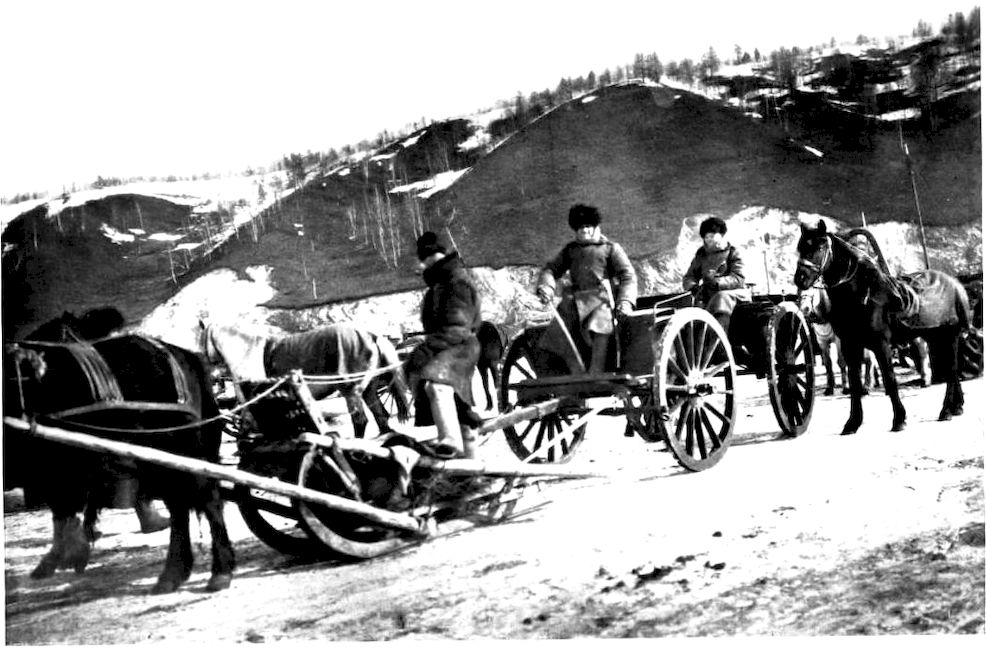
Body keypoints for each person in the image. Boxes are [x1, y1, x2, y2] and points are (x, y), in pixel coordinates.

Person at [405, 232, 483, 459]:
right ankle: (472, 466)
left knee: (436, 385)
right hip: (450, 346)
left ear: (430, 258)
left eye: (424, 260)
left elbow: (457, 327)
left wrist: (426, 349)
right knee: (460, 409)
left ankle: (450, 442)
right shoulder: (440, 283)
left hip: (461, 347)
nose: (422, 266)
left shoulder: (456, 282)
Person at [536, 204, 637, 374]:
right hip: (574, 303)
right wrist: (547, 286)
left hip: (602, 301)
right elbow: (550, 270)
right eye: (580, 227)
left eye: (588, 226)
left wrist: (625, 302)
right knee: (559, 333)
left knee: (600, 326)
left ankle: (596, 372)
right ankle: (576, 372)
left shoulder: (610, 249)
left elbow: (628, 276)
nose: (584, 231)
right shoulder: (570, 250)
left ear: (596, 227)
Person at [681, 216, 751, 334]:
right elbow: (690, 276)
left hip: (735, 294)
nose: (709, 239)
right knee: (689, 303)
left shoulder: (733, 252)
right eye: (706, 237)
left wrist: (716, 282)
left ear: (721, 235)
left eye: (712, 236)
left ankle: (718, 337)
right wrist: (693, 287)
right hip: (709, 294)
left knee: (721, 297)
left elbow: (738, 279)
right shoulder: (701, 254)